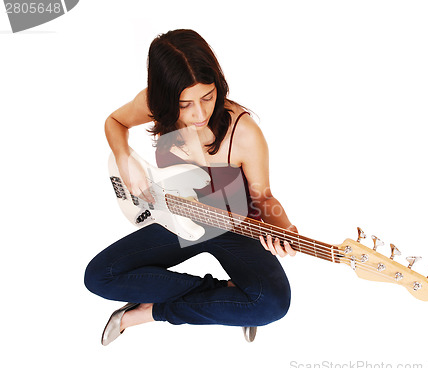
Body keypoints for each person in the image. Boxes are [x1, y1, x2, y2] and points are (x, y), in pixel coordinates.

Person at [84, 29, 298, 346]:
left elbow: (262, 196)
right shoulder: (152, 104)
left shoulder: (244, 133)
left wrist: (285, 229)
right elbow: (114, 122)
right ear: (165, 98)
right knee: (99, 276)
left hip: (233, 226)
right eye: (185, 104)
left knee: (273, 303)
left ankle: (149, 313)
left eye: (208, 97)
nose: (199, 113)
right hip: (177, 217)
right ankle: (227, 299)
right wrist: (124, 157)